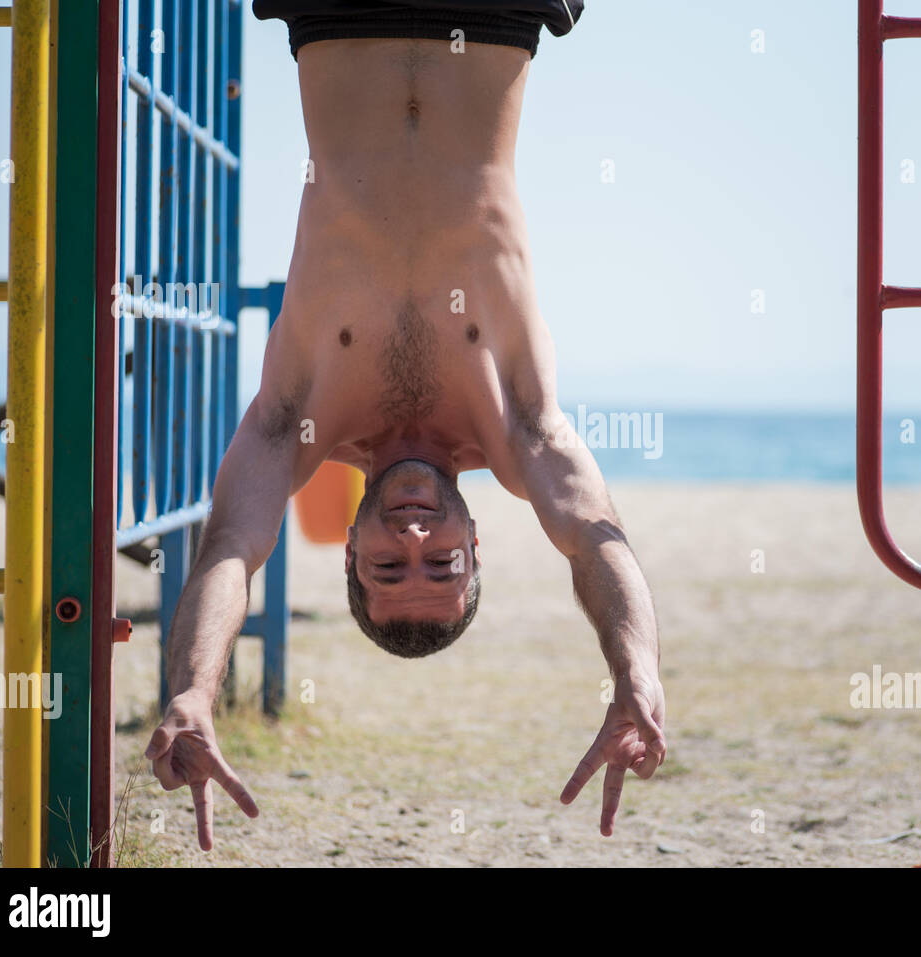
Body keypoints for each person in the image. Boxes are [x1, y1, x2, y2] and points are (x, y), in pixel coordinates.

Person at [145, 1, 669, 852]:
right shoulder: (518, 425)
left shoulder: (298, 422)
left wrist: (194, 692)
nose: (414, 532)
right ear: (475, 540)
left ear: (348, 548)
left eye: (390, 564)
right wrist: (635, 671)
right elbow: (596, 538)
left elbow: (230, 549)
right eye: (442, 559)